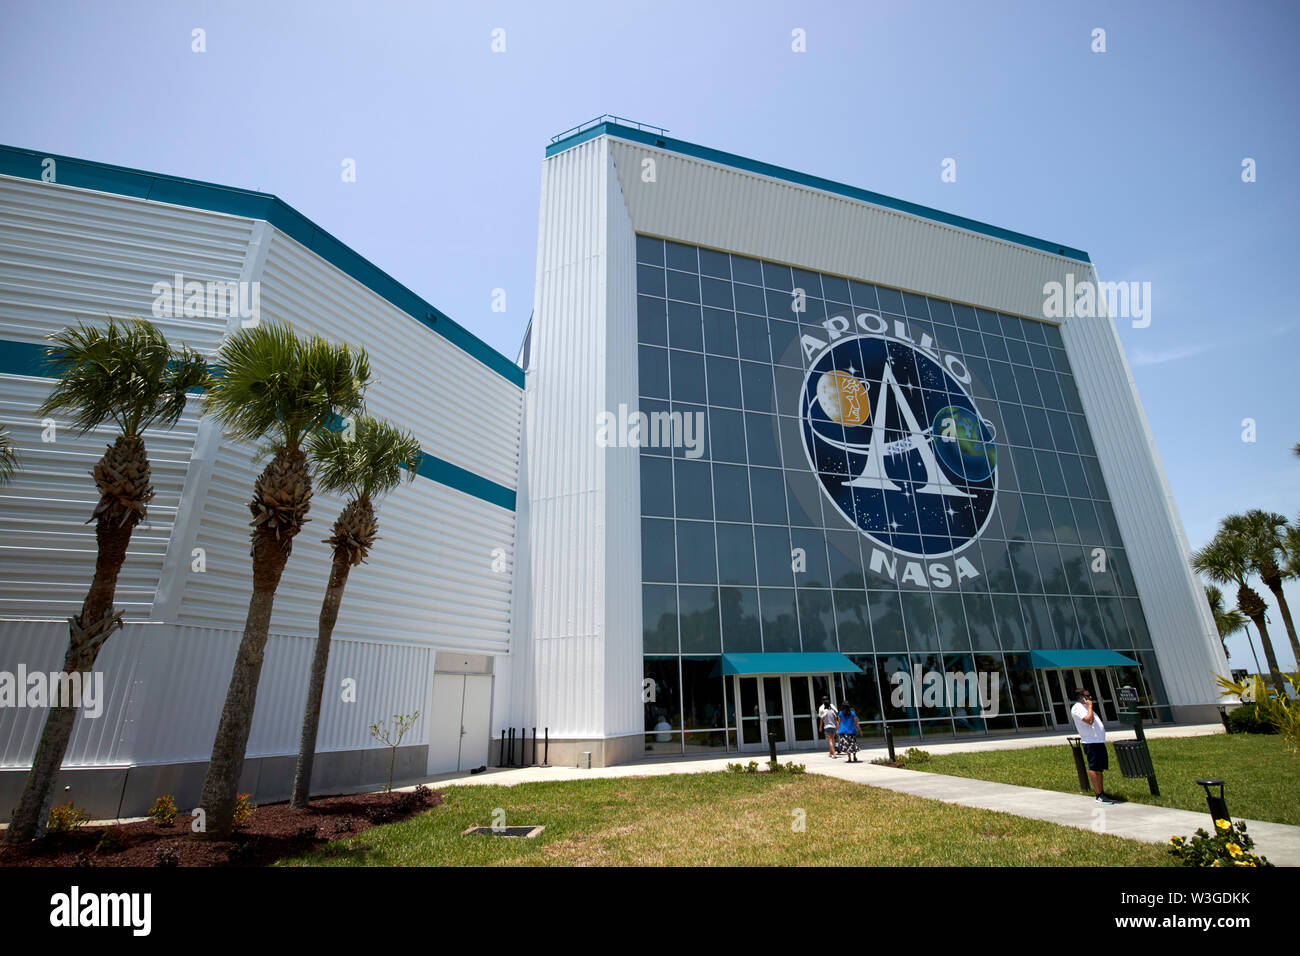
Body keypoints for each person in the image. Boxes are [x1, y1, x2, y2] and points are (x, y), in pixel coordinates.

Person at [1070, 687, 1117, 803]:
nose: (1090, 698)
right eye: (1087, 696)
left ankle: (1102, 792)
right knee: (1094, 767)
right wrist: (1090, 706)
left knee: (1099, 768)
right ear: (1080, 697)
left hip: (1098, 741)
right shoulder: (1077, 708)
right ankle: (1098, 794)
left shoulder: (1085, 707)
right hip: (1090, 742)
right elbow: (1089, 720)